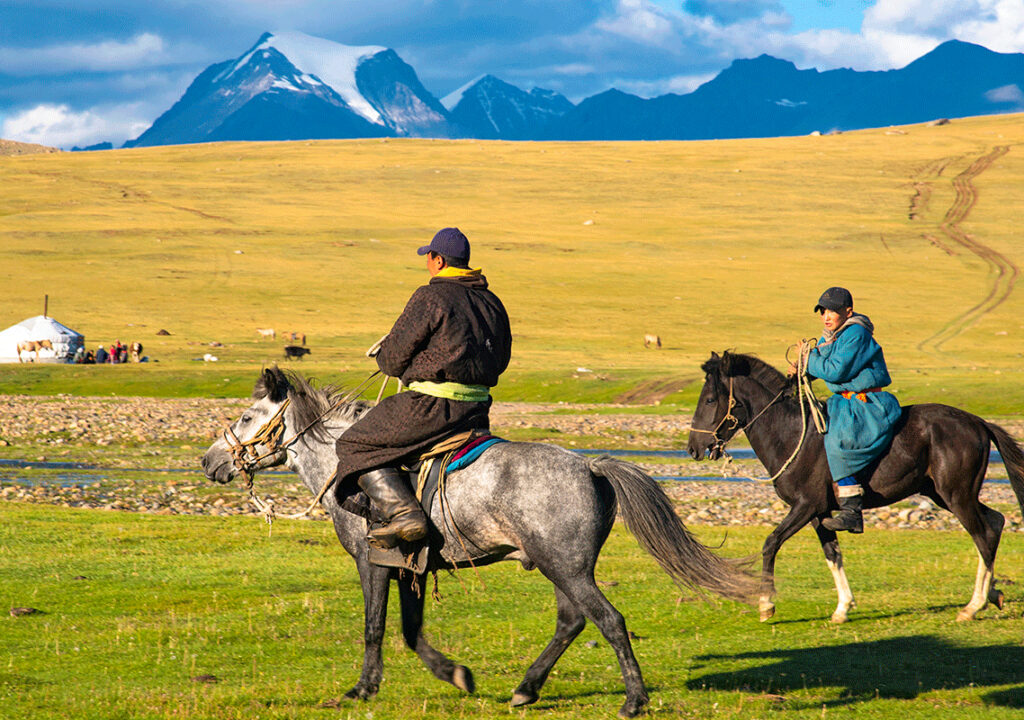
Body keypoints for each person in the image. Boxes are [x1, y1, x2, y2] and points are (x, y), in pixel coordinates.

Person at [335, 227, 512, 549]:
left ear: (438, 260)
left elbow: (390, 362)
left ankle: (404, 515)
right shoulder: (492, 301)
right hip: (477, 412)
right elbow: (500, 362)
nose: (427, 264)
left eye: (428, 257)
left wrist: (398, 357)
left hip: (430, 408)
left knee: (353, 442)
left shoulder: (430, 296)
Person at [793, 287, 901, 533]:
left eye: (832, 311)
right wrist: (801, 367)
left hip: (866, 404)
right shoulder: (830, 336)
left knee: (839, 437)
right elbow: (820, 364)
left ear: (848, 311)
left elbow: (835, 370)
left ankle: (851, 509)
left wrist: (808, 358)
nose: (826, 316)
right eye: (822, 311)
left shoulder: (855, 333)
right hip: (844, 401)